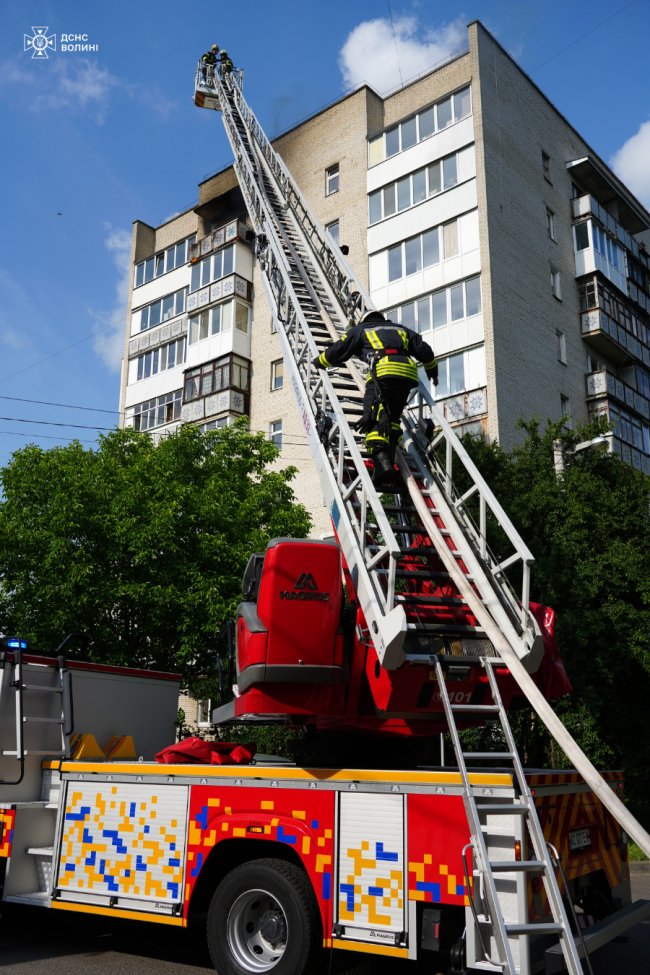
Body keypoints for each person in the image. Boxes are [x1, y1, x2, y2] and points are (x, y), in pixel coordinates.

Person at [313, 310, 438, 489]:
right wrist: (432, 371)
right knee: (392, 419)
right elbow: (424, 350)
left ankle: (383, 465)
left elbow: (339, 349)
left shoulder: (361, 330)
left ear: (364, 320)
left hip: (382, 373)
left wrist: (319, 362)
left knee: (371, 418)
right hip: (407, 376)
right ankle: (388, 461)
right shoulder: (401, 330)